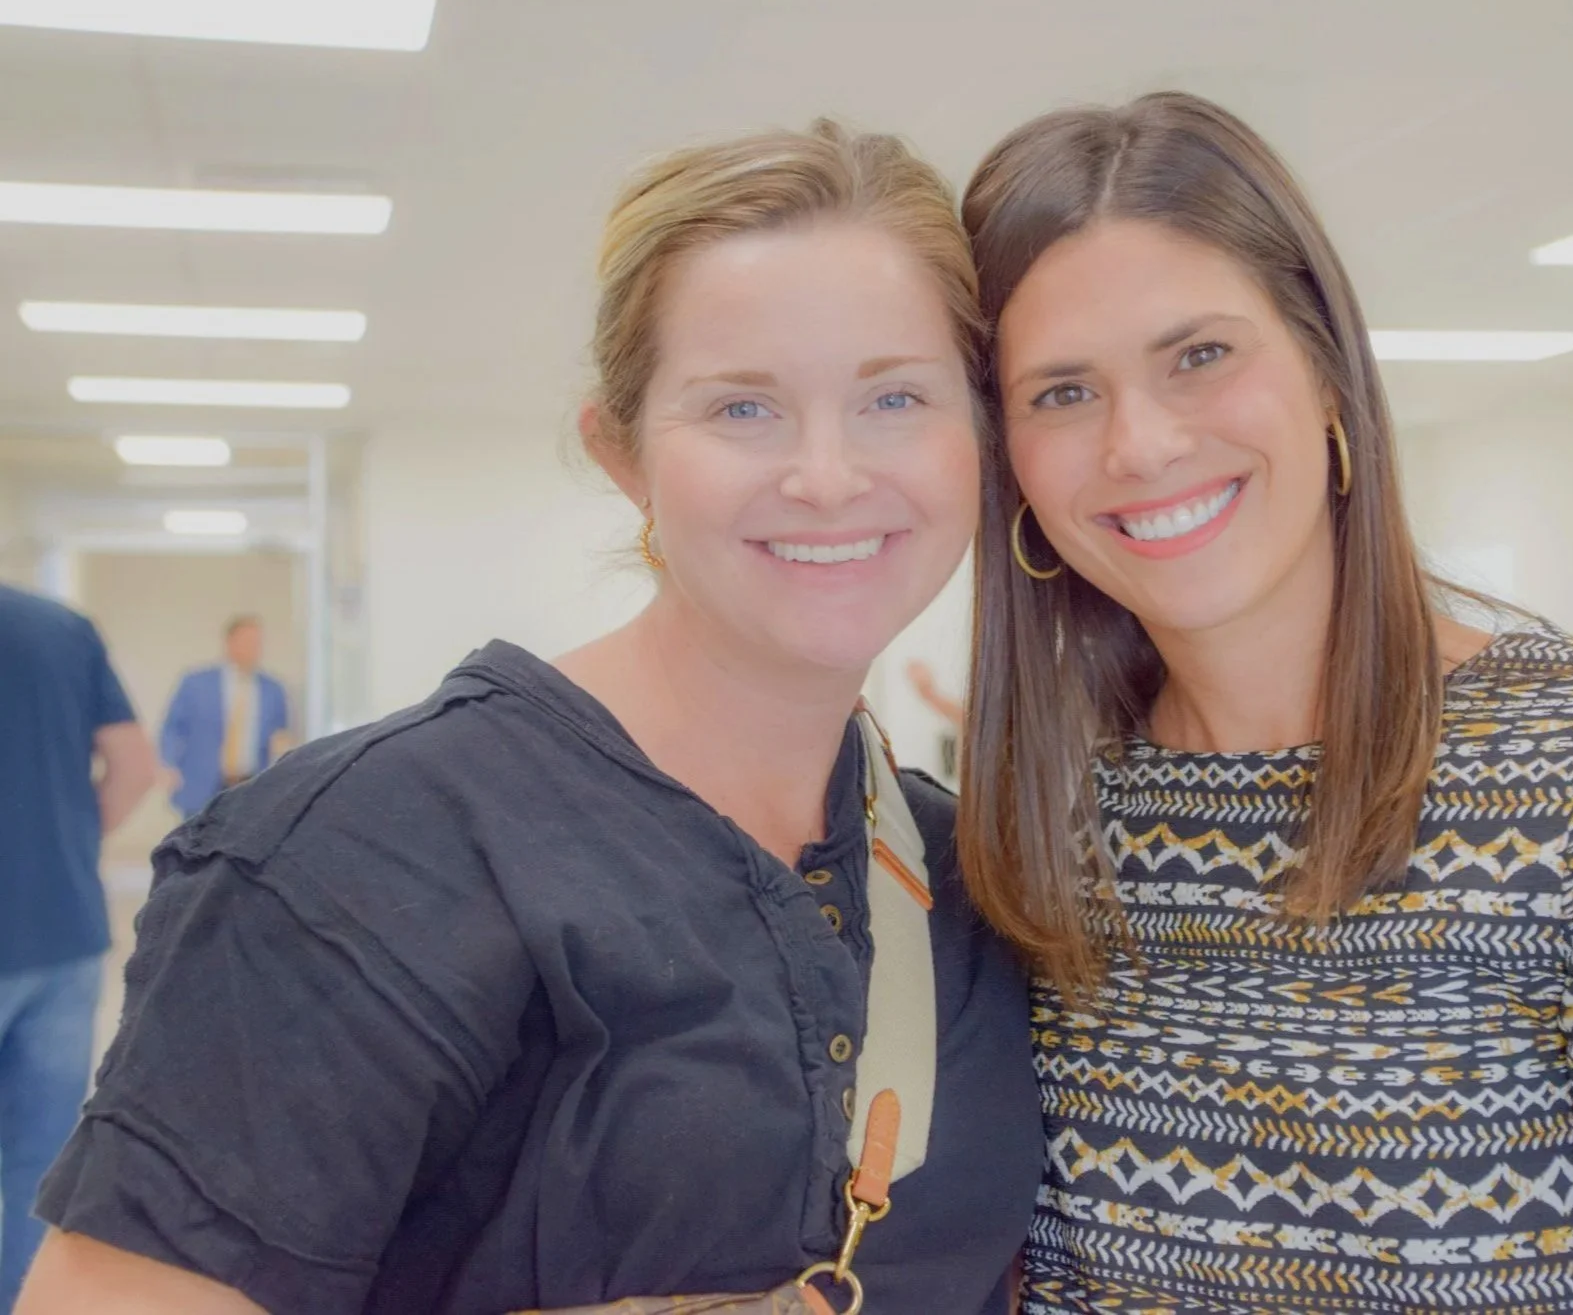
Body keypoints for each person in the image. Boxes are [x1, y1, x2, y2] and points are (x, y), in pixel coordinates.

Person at [20, 121, 1040, 1314]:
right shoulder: (362, 856)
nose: (826, 474)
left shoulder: (974, 880)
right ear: (622, 454)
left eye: (896, 397)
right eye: (741, 410)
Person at [955, 92, 1573, 1314]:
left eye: (1199, 355)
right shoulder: (1041, 820)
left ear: (1324, 371)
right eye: (1059, 393)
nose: (1140, 444)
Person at [0, 584, 156, 1309]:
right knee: (41, 1160)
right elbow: (133, 763)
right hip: (61, 928)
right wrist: (64, 837)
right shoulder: (59, 627)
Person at [159, 615, 293, 817]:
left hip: (251, 784)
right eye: (247, 641)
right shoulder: (195, 683)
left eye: (257, 643)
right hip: (202, 785)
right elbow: (172, 728)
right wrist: (168, 765)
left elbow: (282, 736)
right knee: (197, 845)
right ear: (229, 642)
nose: (254, 648)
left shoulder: (273, 690)